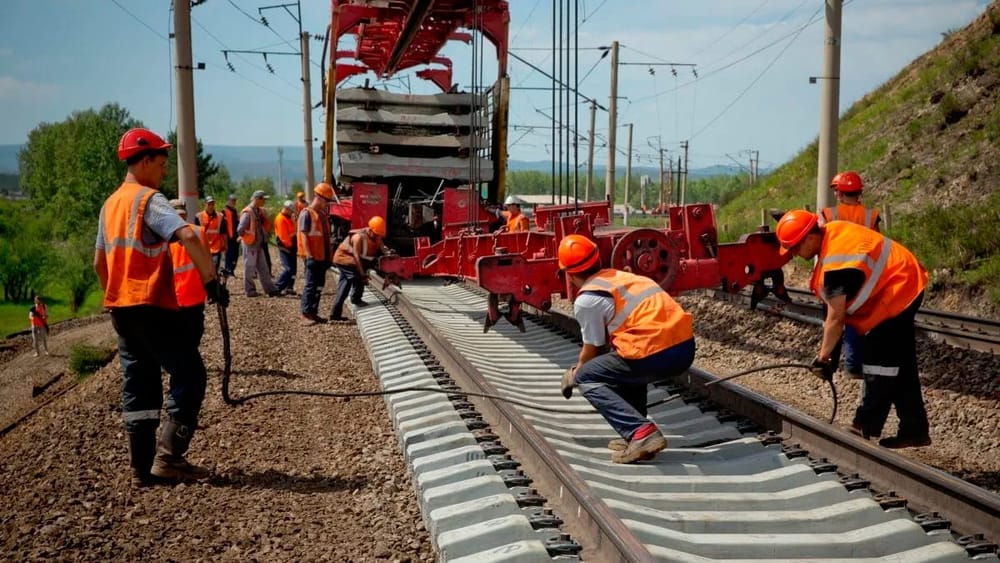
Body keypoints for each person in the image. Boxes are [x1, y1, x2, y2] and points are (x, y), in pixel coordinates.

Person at [95, 128, 226, 486]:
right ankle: (169, 457)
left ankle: (141, 468)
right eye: (162, 162)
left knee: (140, 382)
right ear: (146, 160)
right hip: (151, 303)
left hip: (122, 309)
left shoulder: (110, 205)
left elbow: (98, 263)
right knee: (191, 374)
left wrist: (114, 295)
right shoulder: (149, 200)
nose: (164, 170)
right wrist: (211, 281)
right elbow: (186, 235)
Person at [776, 209, 931, 449]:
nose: (795, 254)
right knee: (901, 364)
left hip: (898, 289)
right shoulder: (832, 238)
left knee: (880, 364)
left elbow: (836, 318)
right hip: (900, 281)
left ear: (808, 238)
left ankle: (863, 425)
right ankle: (914, 429)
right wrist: (831, 359)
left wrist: (823, 357)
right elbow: (832, 314)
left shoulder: (837, 261)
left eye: (795, 248)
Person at [557, 234, 696, 464]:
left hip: (655, 350)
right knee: (624, 360)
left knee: (587, 376)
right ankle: (634, 431)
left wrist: (575, 372)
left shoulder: (588, 299)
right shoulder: (620, 277)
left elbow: (593, 348)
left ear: (569, 274)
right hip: (684, 347)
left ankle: (641, 432)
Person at [818, 171, 880, 378]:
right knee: (854, 316)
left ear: (838, 192)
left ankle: (829, 362)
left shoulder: (828, 215)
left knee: (832, 318)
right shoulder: (871, 216)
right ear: (858, 192)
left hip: (836, 272)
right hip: (863, 272)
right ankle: (853, 366)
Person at [330, 215, 390, 321]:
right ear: (371, 230)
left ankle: (335, 314)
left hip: (352, 261)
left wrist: (388, 254)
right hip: (344, 260)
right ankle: (356, 299)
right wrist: (362, 274)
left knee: (344, 287)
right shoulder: (358, 237)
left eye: (380, 235)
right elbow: (357, 257)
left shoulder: (376, 236)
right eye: (377, 235)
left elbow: (382, 247)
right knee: (356, 277)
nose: (378, 237)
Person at [169, 199, 210, 350]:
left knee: (185, 338)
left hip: (182, 297)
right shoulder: (198, 232)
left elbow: (207, 264)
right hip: (186, 297)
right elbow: (208, 263)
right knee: (190, 337)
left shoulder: (163, 237)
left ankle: (185, 365)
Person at [298, 183, 335, 324]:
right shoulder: (307, 214)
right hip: (313, 257)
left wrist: (328, 257)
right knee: (310, 285)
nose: (327, 204)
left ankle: (313, 312)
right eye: (327, 201)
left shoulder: (321, 215)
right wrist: (309, 256)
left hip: (322, 256)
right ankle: (306, 313)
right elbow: (304, 235)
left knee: (319, 285)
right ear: (319, 198)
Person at [237, 190, 280, 297]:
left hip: (258, 244)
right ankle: (250, 291)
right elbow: (240, 230)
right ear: (256, 199)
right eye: (263, 199)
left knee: (263, 268)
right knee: (249, 268)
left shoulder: (257, 210)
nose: (264, 201)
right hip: (250, 244)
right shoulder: (248, 212)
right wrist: (250, 236)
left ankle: (270, 290)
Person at [196, 196, 227, 272]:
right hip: (204, 248)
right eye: (209, 204)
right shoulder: (199, 216)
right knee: (204, 269)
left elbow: (224, 233)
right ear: (205, 204)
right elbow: (196, 233)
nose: (211, 206)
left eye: (212, 204)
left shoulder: (220, 216)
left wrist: (226, 245)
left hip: (216, 247)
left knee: (214, 267)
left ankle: (215, 282)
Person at [274, 199, 298, 295]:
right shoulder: (280, 219)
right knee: (288, 269)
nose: (292, 213)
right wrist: (293, 236)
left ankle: (289, 287)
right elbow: (284, 237)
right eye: (291, 211)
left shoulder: (288, 217)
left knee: (293, 270)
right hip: (286, 247)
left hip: (291, 246)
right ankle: (277, 287)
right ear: (286, 209)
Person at [221, 194, 240, 276]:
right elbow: (223, 226)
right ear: (228, 201)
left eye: (235, 200)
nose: (234, 202)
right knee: (229, 254)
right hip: (228, 237)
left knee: (235, 255)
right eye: (232, 200)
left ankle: (231, 270)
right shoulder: (224, 211)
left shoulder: (235, 211)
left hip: (236, 237)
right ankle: (228, 271)